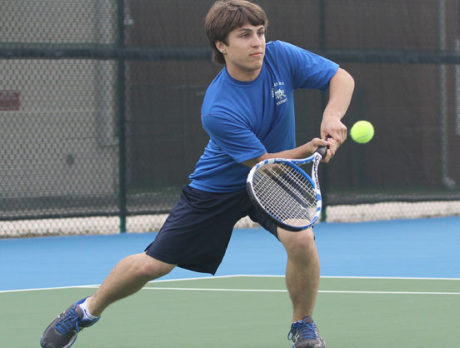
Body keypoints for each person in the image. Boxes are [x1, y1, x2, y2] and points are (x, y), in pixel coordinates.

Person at [40, 1, 354, 347]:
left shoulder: (281, 57)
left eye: (261, 33)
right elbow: (262, 162)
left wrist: (332, 117)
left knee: (301, 239)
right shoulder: (219, 107)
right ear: (222, 45)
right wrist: (305, 151)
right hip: (220, 185)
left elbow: (340, 77)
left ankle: (303, 325)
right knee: (152, 266)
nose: (257, 43)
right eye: (245, 35)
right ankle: (84, 311)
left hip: (274, 180)